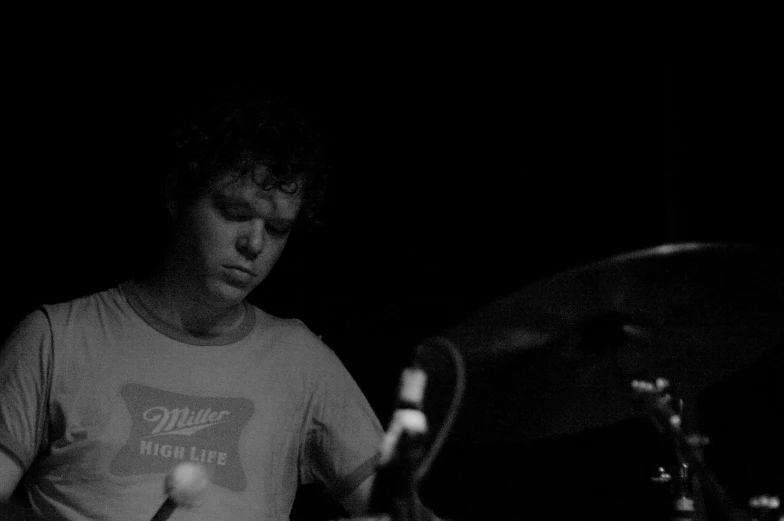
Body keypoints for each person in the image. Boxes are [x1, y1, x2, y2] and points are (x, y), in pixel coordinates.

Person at [0, 85, 386, 520]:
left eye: (277, 228)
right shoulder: (55, 338)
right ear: (177, 195)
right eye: (235, 214)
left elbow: (399, 510)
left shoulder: (305, 364)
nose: (254, 243)